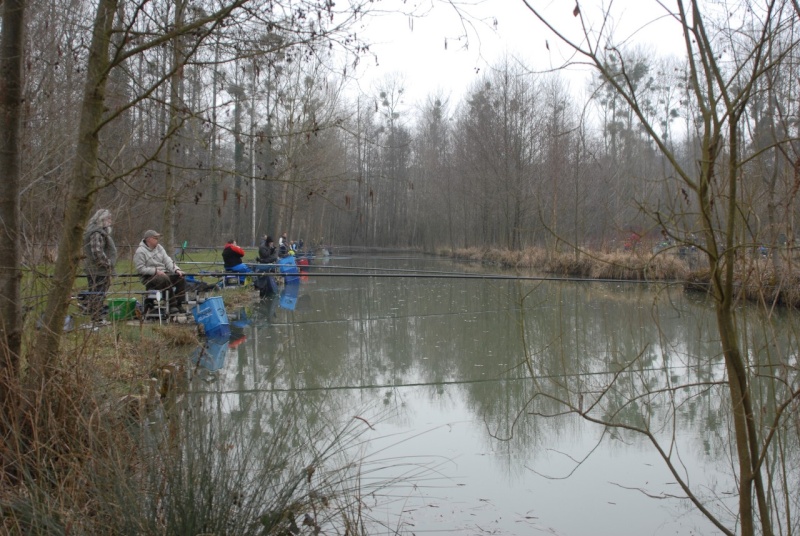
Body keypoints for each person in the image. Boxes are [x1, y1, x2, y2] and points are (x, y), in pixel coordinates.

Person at [134, 229, 187, 314]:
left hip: (163, 273)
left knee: (180, 278)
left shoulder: (159, 248)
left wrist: (176, 269)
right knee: (164, 278)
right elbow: (140, 269)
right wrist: (155, 271)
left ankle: (179, 303)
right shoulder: (140, 251)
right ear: (149, 239)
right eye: (155, 238)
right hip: (149, 277)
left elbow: (167, 261)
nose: (157, 240)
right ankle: (172, 305)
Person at [82, 209, 116, 324]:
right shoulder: (96, 233)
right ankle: (96, 319)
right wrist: (108, 264)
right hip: (97, 270)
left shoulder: (99, 232)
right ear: (102, 220)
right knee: (97, 294)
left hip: (99, 270)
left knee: (98, 294)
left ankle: (97, 317)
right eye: (108, 219)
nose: (110, 221)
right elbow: (97, 253)